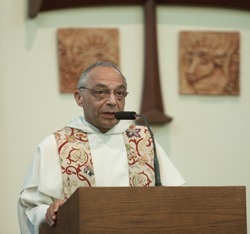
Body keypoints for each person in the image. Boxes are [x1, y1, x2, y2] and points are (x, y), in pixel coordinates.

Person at [17, 61, 185, 234]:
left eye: (119, 93)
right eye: (101, 92)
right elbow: (30, 209)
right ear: (79, 97)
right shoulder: (54, 145)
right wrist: (48, 212)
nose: (112, 101)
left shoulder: (144, 141)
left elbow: (176, 202)